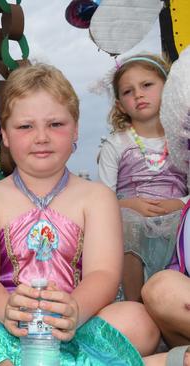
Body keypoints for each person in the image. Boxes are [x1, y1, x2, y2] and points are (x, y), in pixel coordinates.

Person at [0, 63, 160, 365]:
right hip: (4, 324)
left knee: (139, 320)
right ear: (4, 134)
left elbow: (104, 274)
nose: (41, 137)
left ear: (76, 128)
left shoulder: (97, 197)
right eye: (25, 126)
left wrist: (75, 310)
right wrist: (7, 309)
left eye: (55, 124)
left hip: (73, 326)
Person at [98, 54, 188, 302]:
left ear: (169, 88)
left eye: (147, 85)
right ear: (119, 105)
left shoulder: (182, 140)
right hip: (132, 217)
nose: (138, 94)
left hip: (177, 216)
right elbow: (102, 197)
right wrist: (130, 205)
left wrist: (179, 204)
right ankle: (134, 303)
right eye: (128, 91)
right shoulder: (116, 144)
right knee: (128, 223)